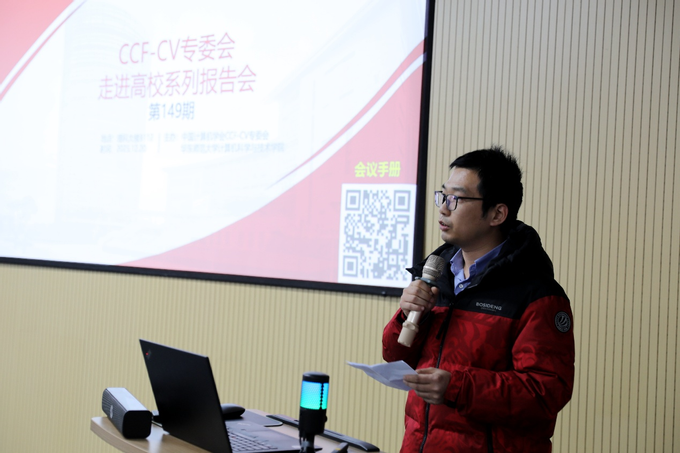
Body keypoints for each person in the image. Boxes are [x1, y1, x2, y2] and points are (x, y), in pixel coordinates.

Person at [383, 147, 575, 453]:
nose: (443, 209)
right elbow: (396, 357)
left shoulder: (536, 295)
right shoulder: (435, 275)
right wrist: (408, 315)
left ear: (497, 214)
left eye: (456, 199)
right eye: (443, 196)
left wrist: (457, 387)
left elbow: (545, 393)